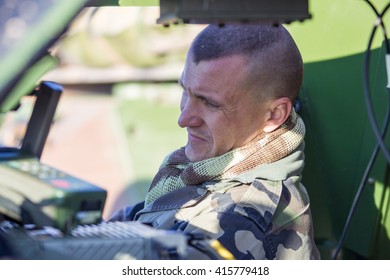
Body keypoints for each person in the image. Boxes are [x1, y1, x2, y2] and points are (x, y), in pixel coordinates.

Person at [110, 23, 320, 260]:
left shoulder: (244, 215)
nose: (184, 118)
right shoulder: (209, 172)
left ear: (273, 115)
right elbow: (138, 222)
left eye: (210, 103)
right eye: (185, 92)